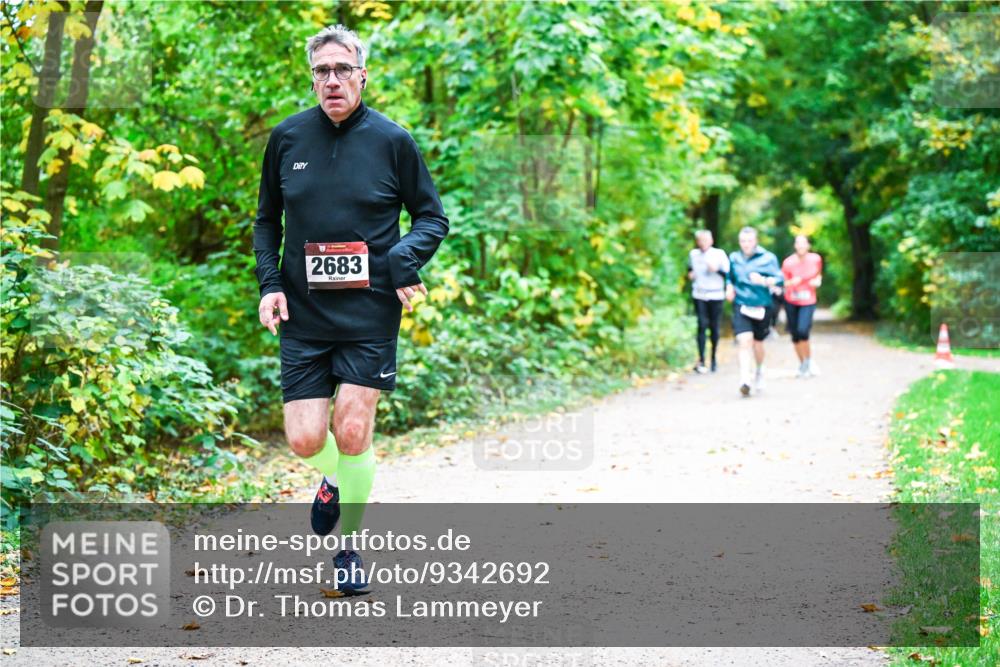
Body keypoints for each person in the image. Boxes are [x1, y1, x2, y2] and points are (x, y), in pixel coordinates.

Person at [252, 25, 449, 590]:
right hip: (304, 314)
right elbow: (267, 221)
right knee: (306, 439)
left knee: (355, 428)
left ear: (363, 74)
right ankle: (334, 479)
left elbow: (431, 218)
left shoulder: (393, 141)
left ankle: (348, 550)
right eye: (322, 71)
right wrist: (270, 284)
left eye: (342, 69)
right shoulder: (287, 139)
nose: (332, 80)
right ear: (312, 77)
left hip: (369, 312)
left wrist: (401, 261)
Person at [725, 227, 783, 397]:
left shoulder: (768, 258)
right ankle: (745, 379)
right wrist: (728, 287)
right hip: (741, 304)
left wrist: (764, 280)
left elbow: (780, 279)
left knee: (758, 343)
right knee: (744, 341)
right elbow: (730, 277)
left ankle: (759, 371)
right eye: (743, 241)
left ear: (756, 241)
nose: (746, 244)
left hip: (762, 305)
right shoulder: (734, 258)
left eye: (749, 241)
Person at [687, 230, 730, 373]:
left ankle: (713, 359)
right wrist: (690, 275)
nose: (702, 243)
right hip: (699, 294)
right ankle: (701, 359)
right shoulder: (694, 254)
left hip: (716, 295)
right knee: (701, 325)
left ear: (711, 241)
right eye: (700, 240)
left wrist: (716, 269)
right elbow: (689, 269)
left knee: (714, 327)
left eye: (705, 240)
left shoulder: (719, 254)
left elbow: (728, 274)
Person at [782, 234, 823, 377]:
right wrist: (791, 283)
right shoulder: (788, 262)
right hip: (791, 300)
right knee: (794, 335)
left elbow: (818, 275)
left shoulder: (816, 259)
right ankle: (803, 365)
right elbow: (783, 282)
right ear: (795, 246)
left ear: (808, 245)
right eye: (798, 243)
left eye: (803, 243)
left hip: (808, 300)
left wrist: (818, 282)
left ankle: (808, 361)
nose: (800, 246)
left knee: (803, 331)